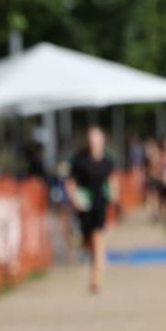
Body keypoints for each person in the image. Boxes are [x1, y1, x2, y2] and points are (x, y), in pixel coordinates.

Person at [65, 126, 117, 294]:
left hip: (100, 202)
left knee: (98, 235)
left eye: (97, 139)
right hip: (84, 204)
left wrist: (114, 194)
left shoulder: (107, 160)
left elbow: (112, 179)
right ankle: (97, 257)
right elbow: (70, 182)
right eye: (91, 139)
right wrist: (74, 199)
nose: (94, 143)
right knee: (86, 242)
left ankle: (96, 277)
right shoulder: (79, 160)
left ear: (102, 141)